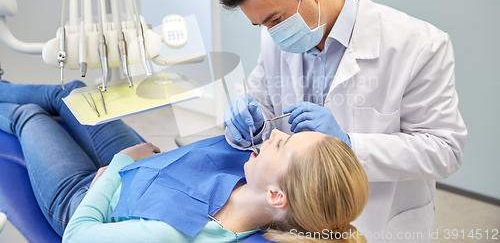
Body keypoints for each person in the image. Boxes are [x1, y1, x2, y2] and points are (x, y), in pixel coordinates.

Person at [221, 0, 467, 242]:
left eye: (275, 19)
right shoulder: (275, 38)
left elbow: (445, 151)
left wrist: (350, 144)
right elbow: (265, 103)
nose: (272, 33)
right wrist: (248, 119)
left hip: (380, 218)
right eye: (262, 25)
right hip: (297, 220)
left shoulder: (419, 45)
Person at [0, 80, 370, 243]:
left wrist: (117, 166)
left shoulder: (174, 235)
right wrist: (237, 129)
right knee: (75, 95)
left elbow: (77, 237)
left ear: (277, 197)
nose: (274, 134)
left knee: (28, 117)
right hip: (146, 168)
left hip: (88, 197)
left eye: (283, 144)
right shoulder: (254, 184)